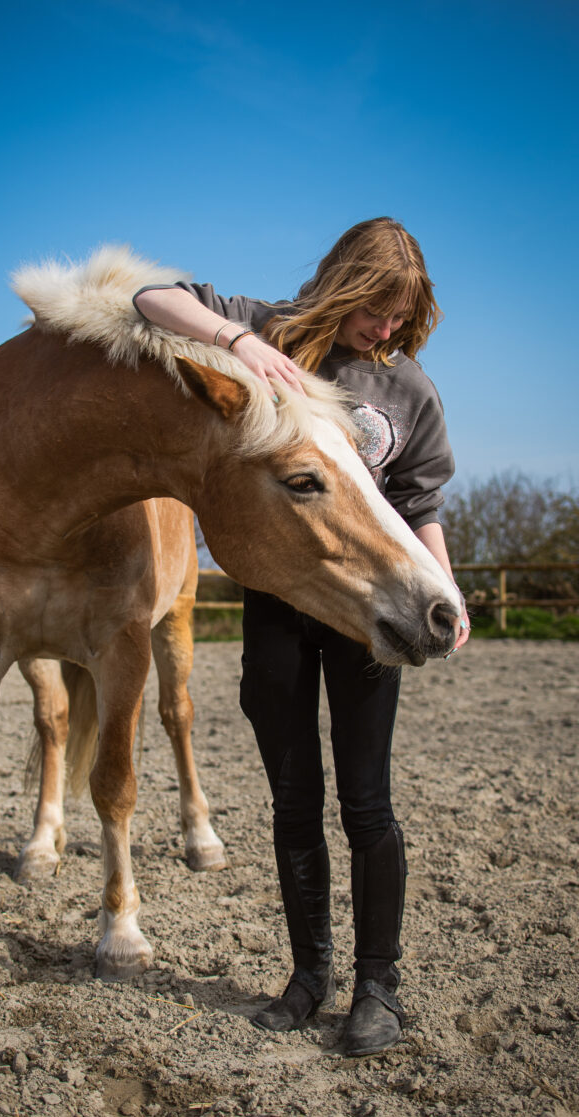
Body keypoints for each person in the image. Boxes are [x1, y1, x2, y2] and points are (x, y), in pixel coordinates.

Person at [133, 218, 470, 1056]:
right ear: (343, 282)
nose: (384, 327)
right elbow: (145, 297)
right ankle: (307, 977)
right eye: (374, 307)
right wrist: (234, 341)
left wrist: (447, 589)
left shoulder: (410, 392)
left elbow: (420, 504)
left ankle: (377, 989)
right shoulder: (271, 330)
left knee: (367, 803)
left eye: (401, 314)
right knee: (294, 800)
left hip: (367, 609)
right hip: (284, 600)